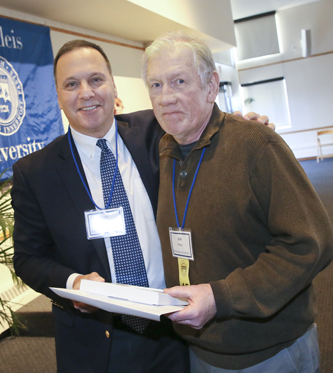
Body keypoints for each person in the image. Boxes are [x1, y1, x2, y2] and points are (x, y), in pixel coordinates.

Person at [11, 39, 272, 373]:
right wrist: (74, 282)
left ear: (112, 85)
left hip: (175, 324)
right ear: (58, 95)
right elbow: (28, 257)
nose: (86, 93)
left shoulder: (157, 130)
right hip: (98, 341)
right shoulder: (36, 172)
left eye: (96, 79)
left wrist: (245, 130)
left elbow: (208, 126)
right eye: (72, 84)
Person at [142, 31, 333, 372]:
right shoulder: (165, 149)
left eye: (179, 81)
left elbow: (310, 243)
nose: (165, 97)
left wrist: (221, 297)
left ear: (212, 86)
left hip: (268, 354)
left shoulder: (256, 144)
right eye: (155, 85)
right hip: (199, 348)